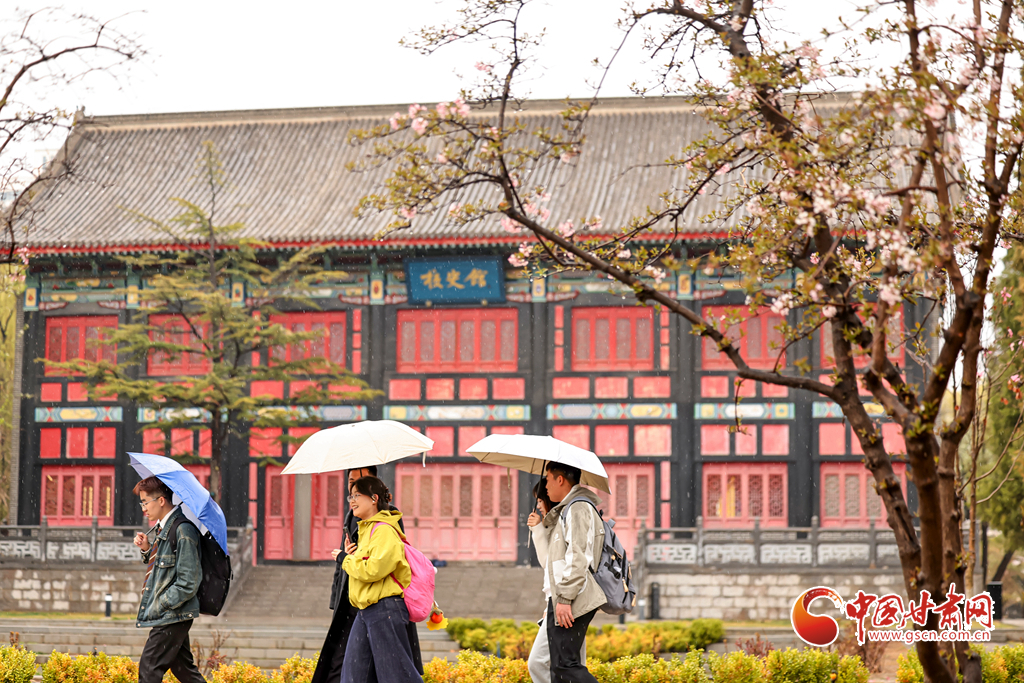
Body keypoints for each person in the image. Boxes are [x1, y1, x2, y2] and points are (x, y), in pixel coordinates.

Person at [311, 466, 422, 683]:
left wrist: (345, 559)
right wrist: (351, 556)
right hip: (364, 608)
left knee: (395, 676)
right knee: (353, 675)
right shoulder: (361, 525)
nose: (351, 499)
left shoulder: (385, 529)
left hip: (384, 607)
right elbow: (362, 563)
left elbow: (374, 569)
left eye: (357, 494)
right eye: (350, 492)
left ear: (374, 497)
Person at [131, 476, 205, 683]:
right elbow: (164, 568)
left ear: (161, 500)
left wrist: (162, 603)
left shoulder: (183, 530)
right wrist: (147, 549)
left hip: (174, 612)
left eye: (145, 502)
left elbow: (188, 582)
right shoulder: (165, 528)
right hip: (173, 612)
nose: (143, 508)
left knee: (149, 667)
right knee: (183, 670)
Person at [540, 463, 606, 683]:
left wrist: (565, 598)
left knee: (564, 666)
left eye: (548, 479)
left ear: (560, 480)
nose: (545, 486)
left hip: (572, 596)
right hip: (564, 595)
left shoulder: (578, 508)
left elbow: (579, 557)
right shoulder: (568, 508)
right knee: (559, 668)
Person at [527, 478, 587, 683]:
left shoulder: (568, 518)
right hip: (561, 600)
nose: (539, 505)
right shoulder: (556, 523)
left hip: (566, 601)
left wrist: (561, 600)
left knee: (542, 663)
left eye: (540, 500)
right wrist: (538, 530)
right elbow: (550, 567)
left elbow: (562, 565)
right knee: (571, 664)